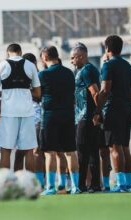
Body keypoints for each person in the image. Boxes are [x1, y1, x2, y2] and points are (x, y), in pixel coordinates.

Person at [93, 35, 131, 192]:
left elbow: (105, 90)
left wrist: (98, 111)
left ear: (107, 48)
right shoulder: (129, 66)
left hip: (113, 109)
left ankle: (121, 184)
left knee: (114, 147)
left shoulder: (108, 66)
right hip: (127, 107)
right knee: (125, 147)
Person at [0, 43, 41, 171]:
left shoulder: (0, 66)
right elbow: (38, 93)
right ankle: (30, 184)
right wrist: (25, 90)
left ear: (8, 53)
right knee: (29, 150)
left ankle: (5, 184)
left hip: (8, 113)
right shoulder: (30, 65)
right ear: (21, 52)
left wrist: (6, 92)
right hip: (27, 112)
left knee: (6, 150)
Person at [39, 46, 81, 195]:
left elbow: (38, 95)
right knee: (70, 151)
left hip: (50, 116)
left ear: (44, 57)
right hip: (68, 115)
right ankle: (75, 186)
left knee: (50, 153)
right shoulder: (69, 73)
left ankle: (50, 187)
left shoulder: (42, 75)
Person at [71, 42, 102, 193]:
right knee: (92, 151)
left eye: (73, 58)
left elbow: (95, 92)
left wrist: (97, 113)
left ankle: (82, 185)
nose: (71, 61)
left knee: (83, 151)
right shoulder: (88, 69)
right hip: (84, 116)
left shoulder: (86, 70)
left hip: (86, 117)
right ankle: (94, 184)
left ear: (81, 56)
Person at [22, 53, 45, 189]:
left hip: (37, 118)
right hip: (34, 118)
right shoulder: (28, 78)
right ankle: (40, 182)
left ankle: (40, 183)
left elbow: (39, 96)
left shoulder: (38, 77)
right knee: (39, 152)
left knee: (38, 152)